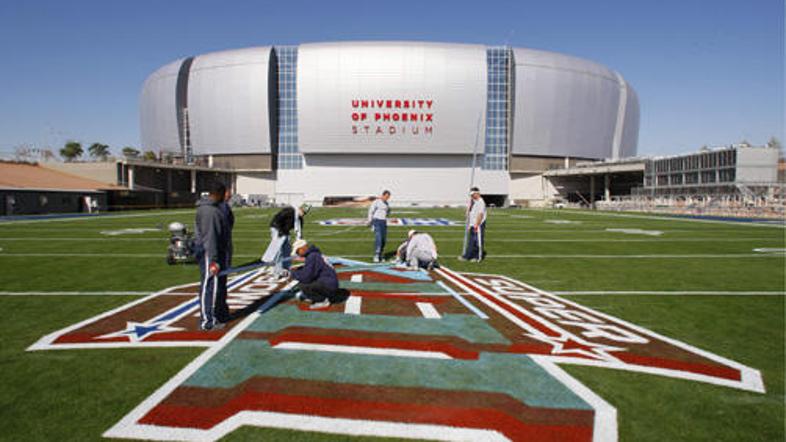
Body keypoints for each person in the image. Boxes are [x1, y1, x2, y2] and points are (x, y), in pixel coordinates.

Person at [194, 182, 231, 330]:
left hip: (214, 250)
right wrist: (214, 260)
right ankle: (207, 321)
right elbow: (211, 237)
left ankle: (219, 313)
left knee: (218, 284)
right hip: (209, 251)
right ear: (220, 194)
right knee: (210, 285)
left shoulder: (214, 209)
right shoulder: (210, 211)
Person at [289, 239, 340, 309]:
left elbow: (306, 277)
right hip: (330, 282)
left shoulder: (312, 256)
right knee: (305, 280)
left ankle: (322, 300)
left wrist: (292, 274)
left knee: (303, 285)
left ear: (303, 248)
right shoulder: (314, 254)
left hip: (329, 284)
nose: (297, 254)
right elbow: (309, 271)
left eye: (297, 251)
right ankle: (321, 296)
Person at [262, 204, 310, 277]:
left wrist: (299, 240)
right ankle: (277, 271)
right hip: (277, 229)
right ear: (300, 209)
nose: (303, 214)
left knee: (287, 249)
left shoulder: (299, 218)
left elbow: (299, 232)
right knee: (279, 250)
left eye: (305, 213)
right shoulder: (289, 211)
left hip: (285, 231)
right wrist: (279, 230)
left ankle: (286, 268)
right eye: (303, 212)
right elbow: (277, 218)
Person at [459, 187, 487, 262]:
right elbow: (470, 208)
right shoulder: (473, 201)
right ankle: (467, 256)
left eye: (473, 194)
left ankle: (478, 257)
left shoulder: (481, 202)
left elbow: (480, 215)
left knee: (478, 241)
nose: (472, 196)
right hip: (472, 224)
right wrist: (467, 212)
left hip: (478, 224)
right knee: (471, 241)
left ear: (477, 193)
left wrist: (476, 225)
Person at [367, 190, 391, 262]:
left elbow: (388, 211)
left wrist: (387, 214)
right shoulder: (376, 202)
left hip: (383, 222)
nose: (387, 198)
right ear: (383, 195)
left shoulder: (386, 203)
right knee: (379, 239)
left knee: (383, 240)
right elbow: (371, 211)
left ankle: (381, 254)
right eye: (386, 196)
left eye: (388, 197)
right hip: (377, 221)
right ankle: (376, 255)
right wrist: (370, 221)